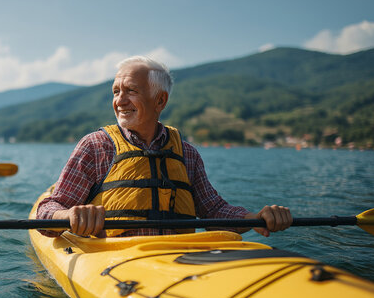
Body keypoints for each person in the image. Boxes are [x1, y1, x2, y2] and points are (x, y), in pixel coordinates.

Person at [37, 56, 292, 238]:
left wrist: (256, 218)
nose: (120, 101)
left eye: (131, 91)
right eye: (116, 92)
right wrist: (69, 216)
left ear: (160, 100)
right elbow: (47, 212)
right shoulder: (95, 146)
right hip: (114, 261)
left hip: (178, 259)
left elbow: (214, 211)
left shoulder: (187, 153)